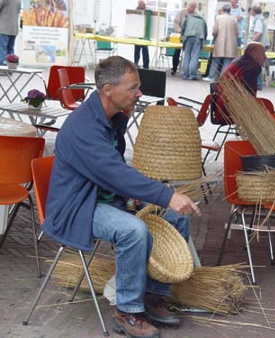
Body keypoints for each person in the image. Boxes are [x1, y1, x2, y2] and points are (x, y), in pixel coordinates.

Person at [43, 56, 200, 338]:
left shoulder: (111, 117)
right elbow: (113, 173)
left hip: (103, 197)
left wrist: (139, 197)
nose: (139, 93)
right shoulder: (83, 128)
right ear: (107, 91)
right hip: (78, 206)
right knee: (133, 230)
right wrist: (164, 194)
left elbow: (114, 170)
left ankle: (152, 295)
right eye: (132, 88)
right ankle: (127, 311)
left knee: (176, 216)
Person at [207, 4, 239, 81]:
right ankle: (223, 78)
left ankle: (211, 77)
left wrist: (214, 37)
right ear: (229, 10)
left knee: (216, 61)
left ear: (223, 10)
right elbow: (237, 32)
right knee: (227, 62)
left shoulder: (218, 18)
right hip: (231, 43)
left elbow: (215, 31)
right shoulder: (234, 19)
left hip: (219, 42)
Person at [181, 1, 207, 80]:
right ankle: (192, 75)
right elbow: (205, 30)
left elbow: (183, 28)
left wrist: (182, 36)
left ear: (192, 7)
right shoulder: (202, 18)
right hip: (198, 38)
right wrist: (204, 39)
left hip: (188, 37)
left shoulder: (188, 17)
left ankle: (185, 74)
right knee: (194, 56)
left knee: (187, 56)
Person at [249, 5, 269, 90]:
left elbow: (258, 32)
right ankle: (258, 84)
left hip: (258, 45)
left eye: (251, 11)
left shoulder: (258, 20)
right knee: (258, 64)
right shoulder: (262, 19)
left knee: (256, 64)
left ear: (253, 11)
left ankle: (258, 84)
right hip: (262, 44)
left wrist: (251, 43)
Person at [0, 0, 21, 65]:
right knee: (10, 50)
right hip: (14, 29)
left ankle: (2, 69)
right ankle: (10, 68)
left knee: (2, 49)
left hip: (3, 28)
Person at [171, 4, 190, 75]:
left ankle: (186, 71)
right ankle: (174, 68)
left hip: (190, 37)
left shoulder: (196, 13)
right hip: (181, 36)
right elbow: (176, 23)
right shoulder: (182, 12)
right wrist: (179, 31)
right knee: (177, 52)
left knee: (189, 54)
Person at [134, 0, 150, 69]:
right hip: (137, 34)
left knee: (145, 50)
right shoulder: (135, 11)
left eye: (143, 4)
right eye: (140, 4)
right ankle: (136, 64)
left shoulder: (147, 11)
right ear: (138, 4)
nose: (142, 5)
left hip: (144, 34)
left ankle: (146, 65)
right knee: (137, 50)